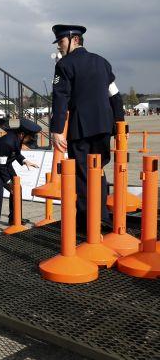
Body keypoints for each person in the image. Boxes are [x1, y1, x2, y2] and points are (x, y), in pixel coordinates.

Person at [49, 24, 124, 230]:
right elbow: (115, 96)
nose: (59, 48)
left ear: (74, 40)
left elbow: (60, 98)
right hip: (104, 126)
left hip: (81, 129)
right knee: (98, 171)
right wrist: (119, 124)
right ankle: (102, 216)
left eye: (62, 42)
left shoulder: (64, 65)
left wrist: (56, 130)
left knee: (82, 175)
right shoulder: (102, 62)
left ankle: (86, 222)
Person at [0, 119, 41, 237]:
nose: (29, 141)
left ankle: (14, 219)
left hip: (5, 166)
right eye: (29, 138)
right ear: (22, 134)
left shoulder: (17, 138)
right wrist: (8, 182)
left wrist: (25, 161)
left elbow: (16, 153)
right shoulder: (7, 142)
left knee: (18, 189)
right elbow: (0, 165)